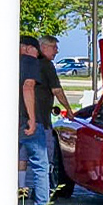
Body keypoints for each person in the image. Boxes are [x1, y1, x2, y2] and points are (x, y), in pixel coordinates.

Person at [18, 36, 50, 205]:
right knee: (40, 163)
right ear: (29, 48)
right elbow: (28, 87)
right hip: (24, 119)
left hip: (4, 120)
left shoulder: (2, 61)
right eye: (37, 51)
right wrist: (31, 118)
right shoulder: (29, 62)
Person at [34, 34, 73, 171]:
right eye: (54, 47)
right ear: (43, 47)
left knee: (23, 158)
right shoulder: (46, 65)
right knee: (45, 158)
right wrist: (68, 109)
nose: (57, 51)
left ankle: (22, 187)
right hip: (42, 121)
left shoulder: (28, 63)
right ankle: (43, 189)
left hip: (25, 119)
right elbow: (57, 90)